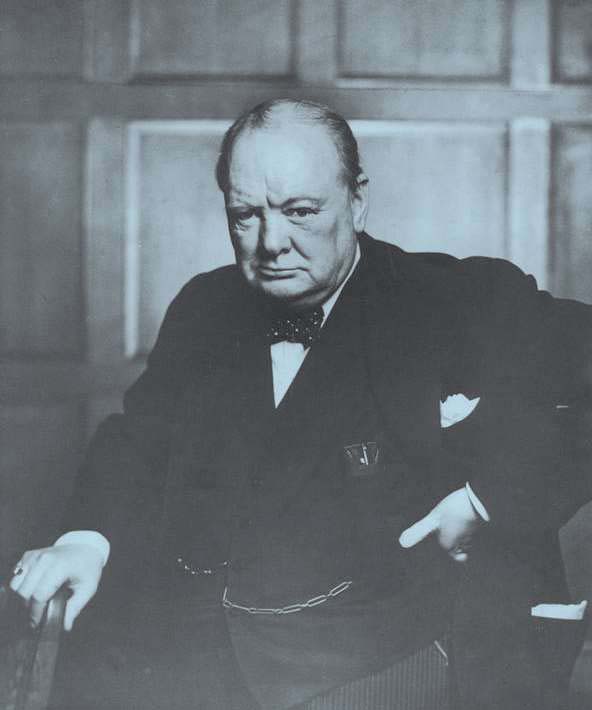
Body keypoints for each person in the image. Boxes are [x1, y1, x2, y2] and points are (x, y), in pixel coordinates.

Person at [9, 98, 592, 710]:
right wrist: (86, 539)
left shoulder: (457, 299)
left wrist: (485, 499)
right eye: (245, 216)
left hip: (405, 658)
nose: (271, 243)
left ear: (357, 201)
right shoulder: (205, 305)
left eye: (301, 212)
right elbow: (139, 440)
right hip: (214, 659)